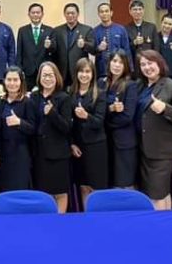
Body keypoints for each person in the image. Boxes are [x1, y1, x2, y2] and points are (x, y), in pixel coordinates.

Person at [135, 49, 172, 210]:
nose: (147, 67)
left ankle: (161, 223)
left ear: (160, 63)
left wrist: (165, 108)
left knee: (157, 194)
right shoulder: (140, 86)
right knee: (158, 193)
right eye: (143, 64)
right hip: (143, 149)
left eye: (150, 63)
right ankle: (166, 220)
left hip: (162, 151)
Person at [32, 61, 74, 213]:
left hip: (58, 154)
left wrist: (52, 113)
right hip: (39, 153)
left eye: (51, 75)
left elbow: (66, 127)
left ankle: (59, 221)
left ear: (56, 77)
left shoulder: (64, 98)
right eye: (44, 75)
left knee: (60, 192)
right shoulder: (34, 97)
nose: (47, 79)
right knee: (44, 192)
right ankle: (47, 221)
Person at [70, 57, 108, 205]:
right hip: (78, 147)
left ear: (93, 74)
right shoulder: (71, 92)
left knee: (97, 187)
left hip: (96, 146)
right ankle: (87, 215)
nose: (84, 75)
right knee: (83, 185)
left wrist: (86, 116)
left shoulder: (100, 93)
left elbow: (99, 121)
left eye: (87, 71)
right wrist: (72, 143)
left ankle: (98, 216)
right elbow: (69, 123)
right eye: (81, 71)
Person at [0, 66, 36, 193]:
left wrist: (19, 122)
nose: (12, 83)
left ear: (21, 82)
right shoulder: (1, 101)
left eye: (15, 80)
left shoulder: (27, 102)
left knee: (20, 189)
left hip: (20, 153)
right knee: (4, 189)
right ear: (4, 81)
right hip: (3, 153)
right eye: (9, 80)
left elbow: (33, 128)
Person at [104, 50, 140, 189]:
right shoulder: (102, 83)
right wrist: (110, 109)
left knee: (124, 183)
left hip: (124, 142)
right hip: (106, 142)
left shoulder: (130, 85)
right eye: (114, 61)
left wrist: (105, 122)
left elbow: (127, 116)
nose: (117, 65)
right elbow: (97, 109)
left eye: (121, 62)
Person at [53, 2, 96, 85]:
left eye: (72, 13)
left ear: (78, 14)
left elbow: (93, 49)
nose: (70, 15)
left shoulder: (87, 29)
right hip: (62, 72)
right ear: (64, 14)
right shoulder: (57, 30)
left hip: (79, 71)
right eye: (68, 13)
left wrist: (84, 44)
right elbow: (54, 49)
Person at [15, 3, 55, 85]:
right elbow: (19, 52)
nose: (35, 15)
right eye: (33, 13)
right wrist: (19, 70)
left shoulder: (50, 30)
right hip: (27, 71)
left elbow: (54, 50)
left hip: (44, 70)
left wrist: (49, 46)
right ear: (29, 14)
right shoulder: (22, 30)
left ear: (42, 14)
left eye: (38, 12)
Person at [93, 2, 131, 78]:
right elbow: (92, 50)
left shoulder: (121, 29)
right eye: (101, 12)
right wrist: (99, 48)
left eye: (106, 11)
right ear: (98, 14)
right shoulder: (95, 31)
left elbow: (127, 50)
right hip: (101, 70)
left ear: (111, 13)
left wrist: (129, 69)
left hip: (119, 69)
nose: (104, 14)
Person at [126, 0, 158, 64]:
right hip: (133, 63)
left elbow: (156, 46)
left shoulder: (151, 27)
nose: (138, 12)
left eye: (140, 9)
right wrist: (134, 43)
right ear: (130, 11)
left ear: (143, 11)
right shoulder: (126, 29)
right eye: (135, 9)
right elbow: (125, 48)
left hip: (149, 62)